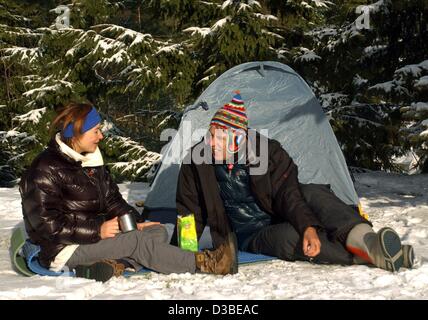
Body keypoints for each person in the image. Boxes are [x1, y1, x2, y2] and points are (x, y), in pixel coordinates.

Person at [174, 92, 415, 272]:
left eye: (217, 136)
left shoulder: (268, 151)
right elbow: (188, 211)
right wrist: (182, 253)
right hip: (251, 234)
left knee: (312, 193)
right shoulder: (197, 161)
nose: (210, 142)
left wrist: (308, 226)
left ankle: (370, 243)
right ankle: (376, 255)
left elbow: (288, 194)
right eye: (210, 134)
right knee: (291, 237)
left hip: (280, 213)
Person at [19, 102, 237, 282]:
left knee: (156, 232)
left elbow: (113, 200)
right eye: (95, 131)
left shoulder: (91, 159)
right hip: (64, 249)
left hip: (93, 240)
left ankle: (112, 266)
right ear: (77, 133)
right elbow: (48, 226)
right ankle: (207, 263)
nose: (101, 137)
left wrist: (136, 222)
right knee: (137, 243)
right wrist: (98, 230)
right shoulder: (43, 170)